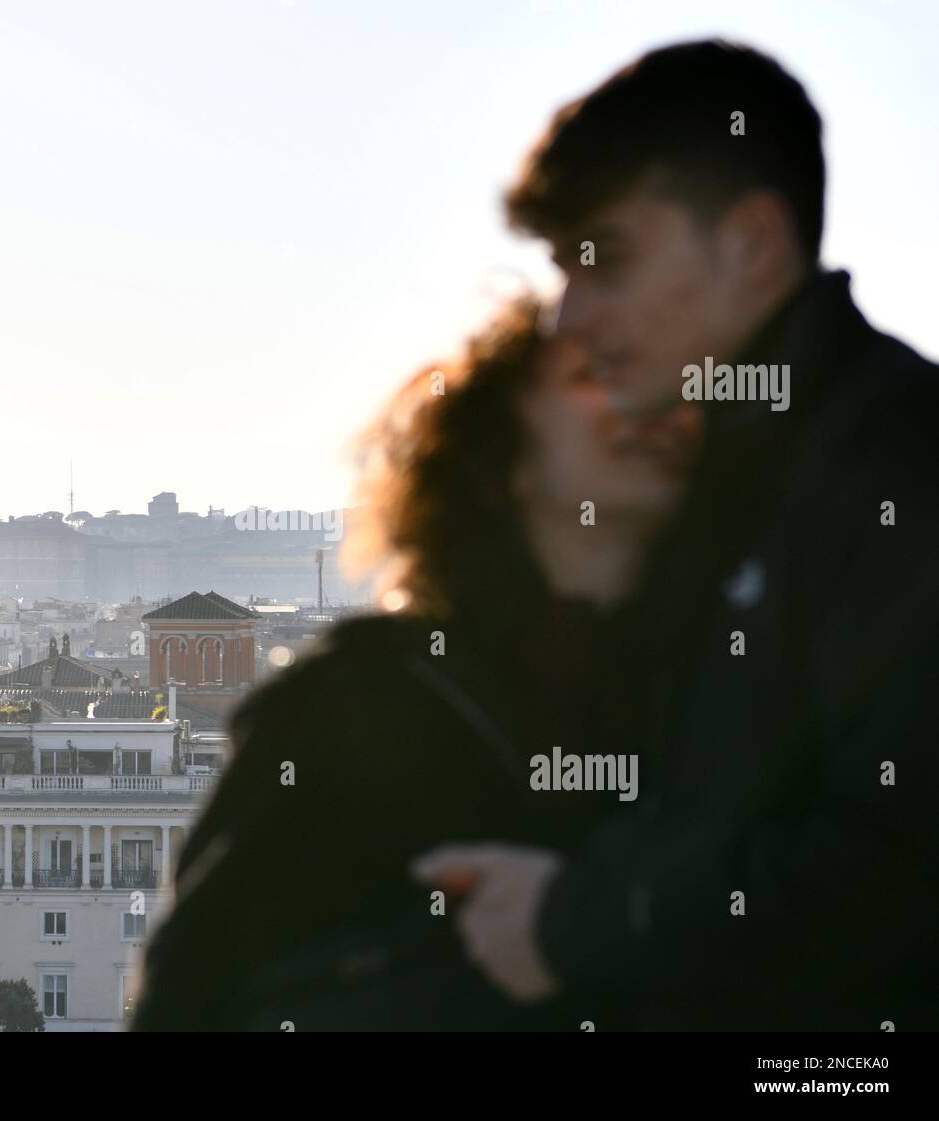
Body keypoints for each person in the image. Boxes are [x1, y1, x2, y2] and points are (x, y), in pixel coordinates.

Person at [417, 39, 939, 1031]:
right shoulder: (735, 481)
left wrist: (575, 921)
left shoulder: (894, 464)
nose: (570, 316)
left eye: (604, 259)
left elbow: (901, 863)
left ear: (749, 244)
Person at [130, 296, 695, 1031]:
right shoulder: (353, 702)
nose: (642, 405)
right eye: (592, 378)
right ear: (508, 459)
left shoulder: (703, 676)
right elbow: (189, 992)